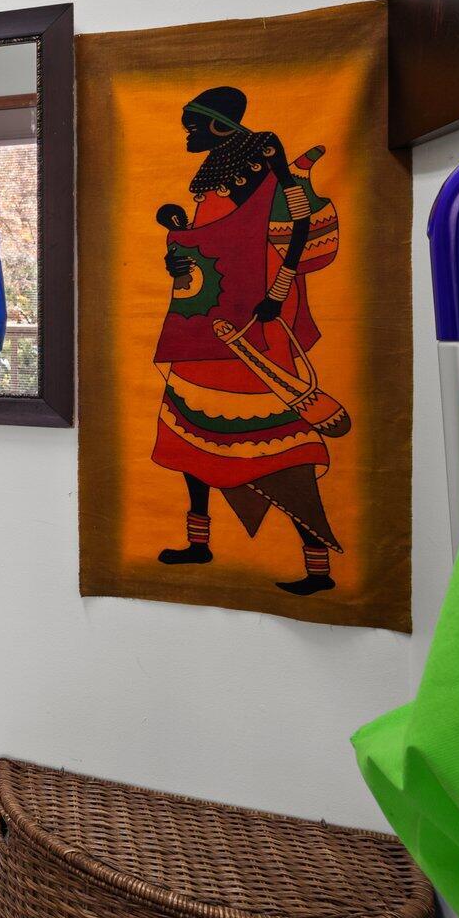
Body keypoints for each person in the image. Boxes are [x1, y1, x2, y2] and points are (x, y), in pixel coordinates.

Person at [151, 86, 339, 596]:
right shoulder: (213, 171)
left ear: (217, 126)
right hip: (207, 322)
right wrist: (181, 254)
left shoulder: (265, 157)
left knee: (276, 448)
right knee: (190, 440)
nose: (187, 135)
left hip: (251, 327)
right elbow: (212, 238)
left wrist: (277, 292)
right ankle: (199, 541)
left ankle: (318, 566)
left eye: (193, 126)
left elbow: (300, 224)